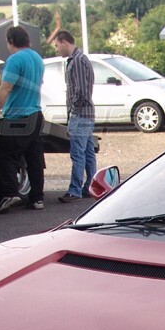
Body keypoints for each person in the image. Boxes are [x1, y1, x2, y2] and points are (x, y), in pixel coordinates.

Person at [0, 25, 46, 214]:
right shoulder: (37, 58)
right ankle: (37, 198)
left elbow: (6, 87)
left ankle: (10, 193)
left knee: (5, 157)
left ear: (11, 41)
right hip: (36, 114)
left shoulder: (14, 60)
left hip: (18, 117)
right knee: (34, 158)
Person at [53, 29, 96, 203]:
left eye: (57, 45)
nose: (56, 49)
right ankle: (90, 186)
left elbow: (81, 90)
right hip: (87, 113)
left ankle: (75, 190)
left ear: (64, 42)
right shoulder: (81, 59)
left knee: (78, 153)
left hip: (80, 114)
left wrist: (74, 109)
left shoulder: (77, 61)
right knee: (87, 152)